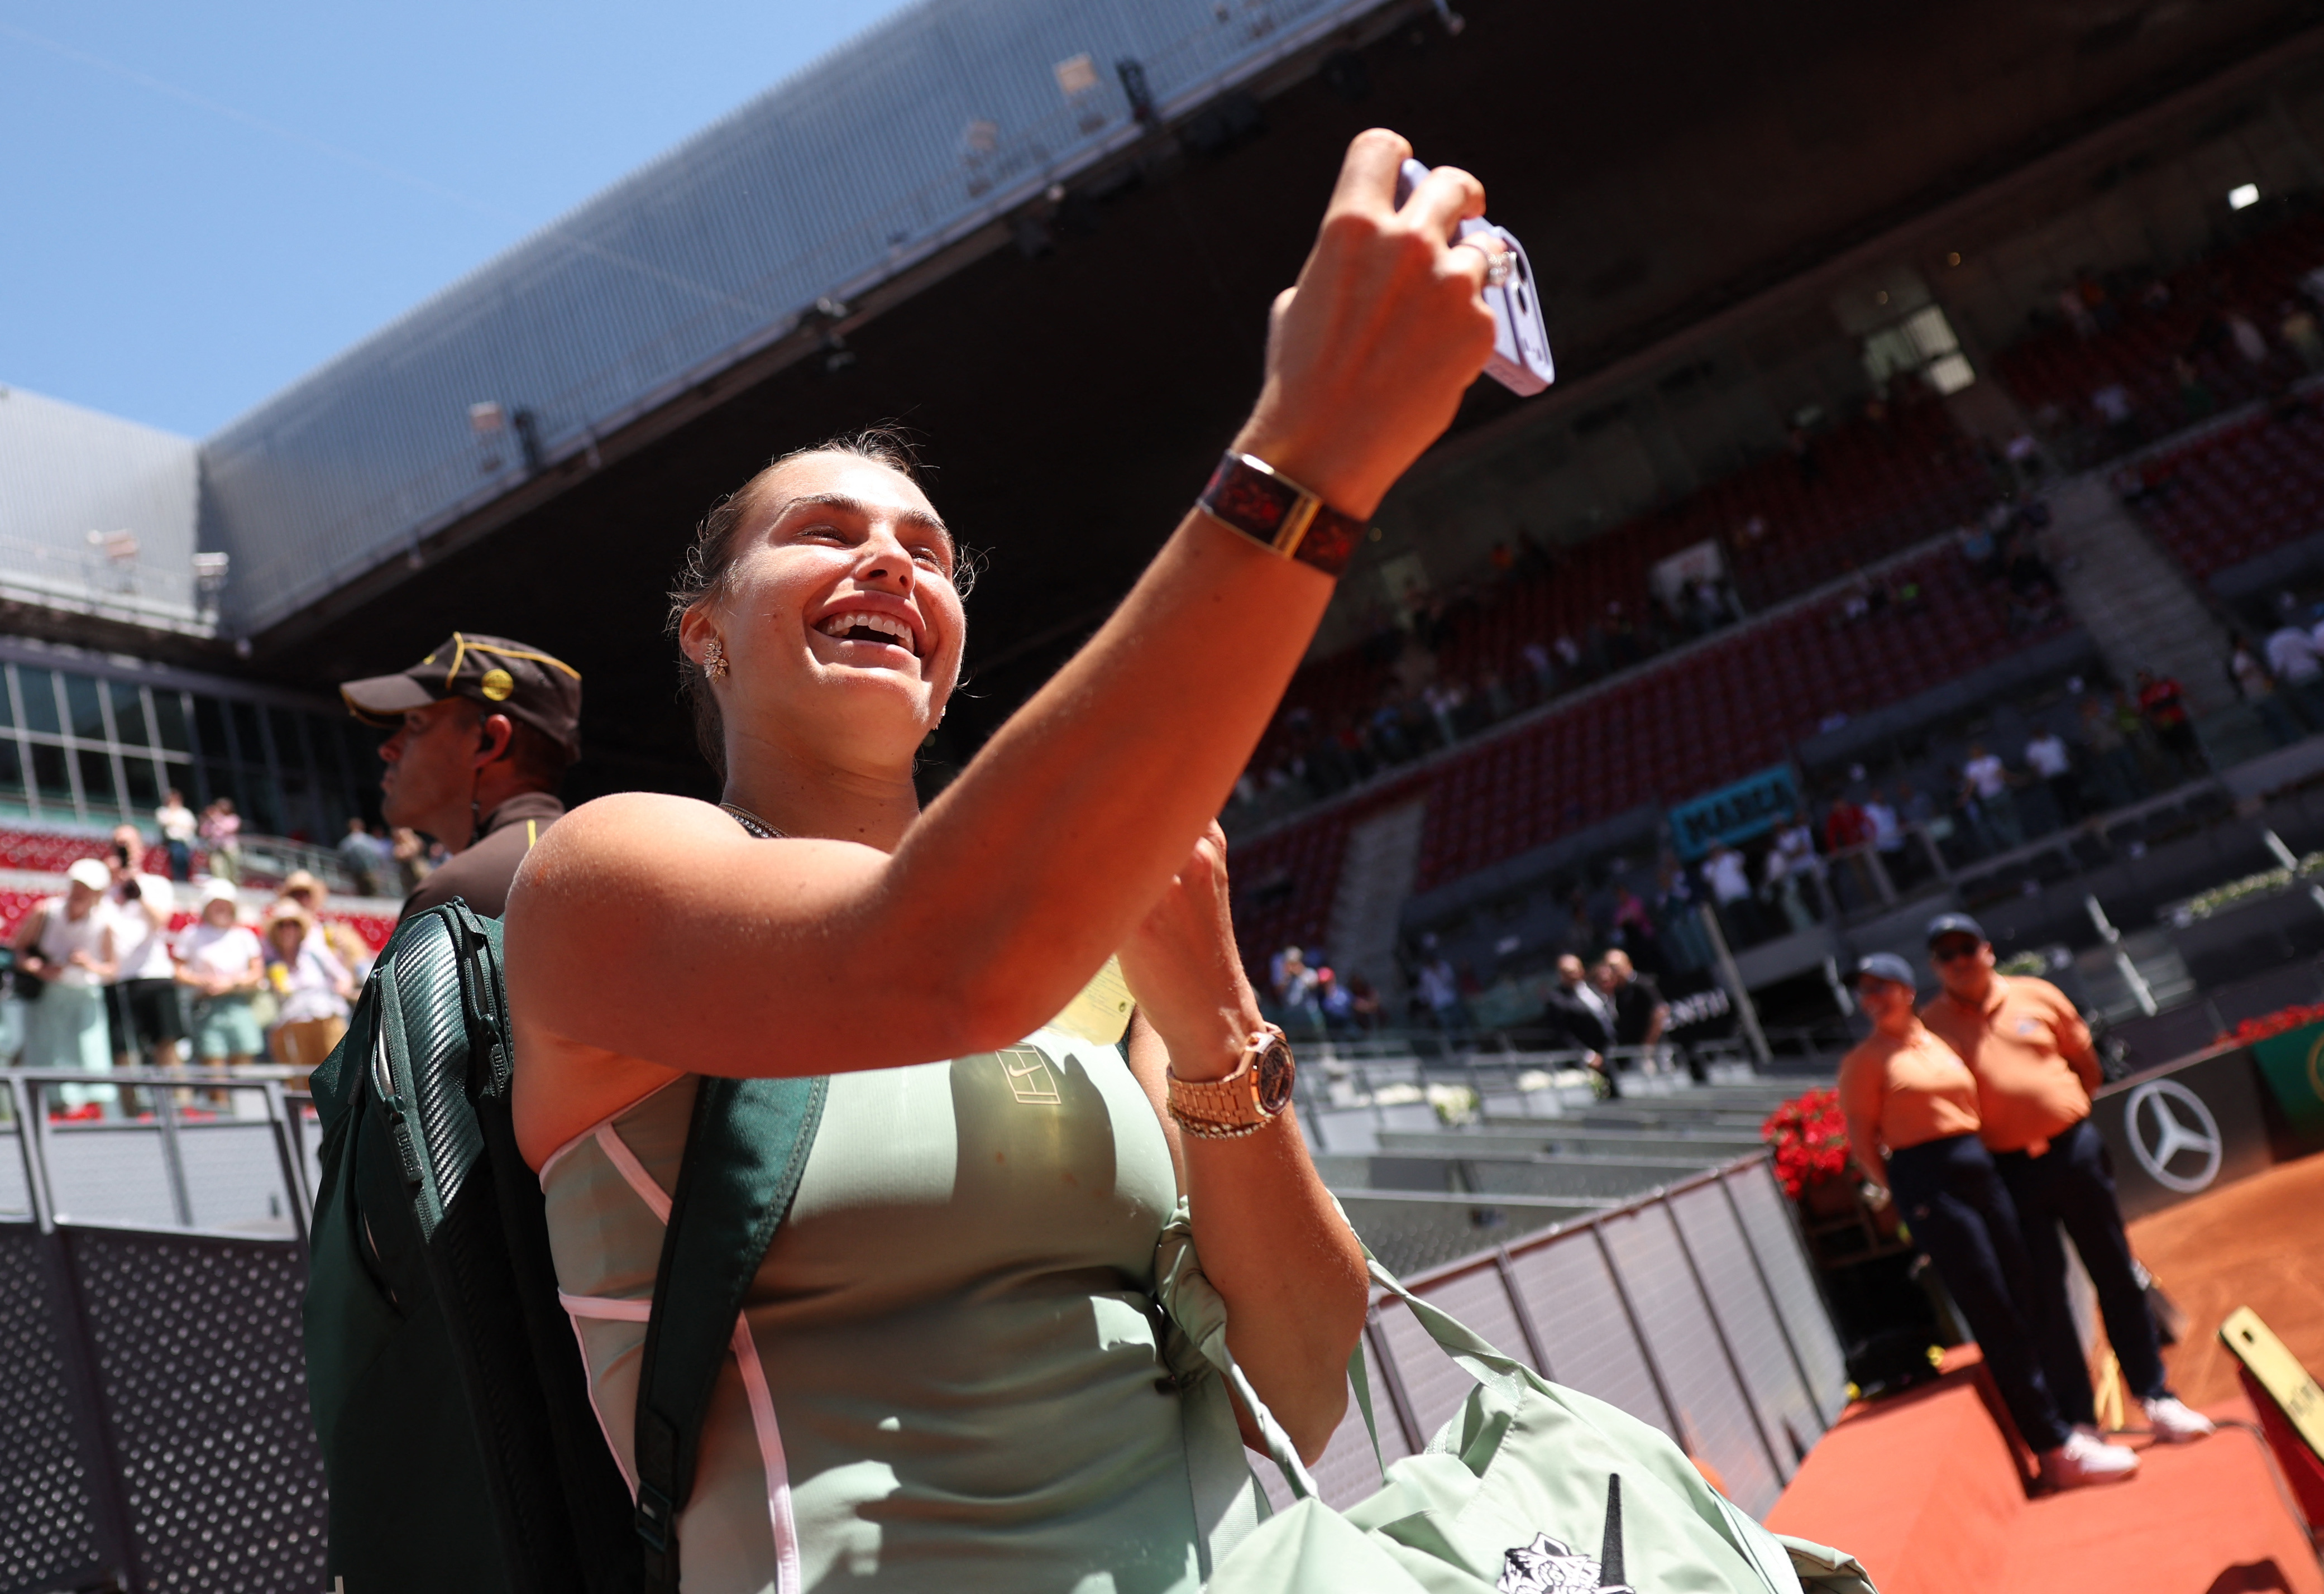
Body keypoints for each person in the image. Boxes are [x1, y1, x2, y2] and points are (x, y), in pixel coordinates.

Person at [500, 129, 1491, 1588]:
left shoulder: (1085, 939)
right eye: (822, 532)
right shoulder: (614, 867)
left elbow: (1296, 1375)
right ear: (703, 629)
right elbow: (931, 961)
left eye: (924, 547)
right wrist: (1311, 454)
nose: (890, 560)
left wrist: (1215, 1018)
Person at [1837, 953, 2135, 1488]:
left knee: (2027, 1289)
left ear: (1907, 989)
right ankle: (2053, 1446)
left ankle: (2075, 1421)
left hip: (1981, 1171)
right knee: (1992, 1306)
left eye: (1882, 985)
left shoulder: (1937, 1041)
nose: (1872, 998)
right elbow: (1864, 1144)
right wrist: (1910, 1189)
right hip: (1929, 1182)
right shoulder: (1865, 1060)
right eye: (1864, 990)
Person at [1918, 913, 2216, 1445]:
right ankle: (2081, 1420)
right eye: (1946, 954)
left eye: (1967, 947)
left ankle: (2156, 1395)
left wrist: (2059, 1113)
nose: (1960, 960)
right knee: (2043, 1295)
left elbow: (2086, 1064)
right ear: (1935, 966)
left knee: (2115, 1270)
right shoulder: (1929, 1027)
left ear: (1986, 950)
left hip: (2072, 1151)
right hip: (2005, 1172)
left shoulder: (2038, 995)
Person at [338, 633, 582, 922]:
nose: (388, 749)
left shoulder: (458, 896)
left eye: (416, 724)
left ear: (489, 742)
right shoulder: (586, 857)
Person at [12, 858, 119, 1114]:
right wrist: (41, 969)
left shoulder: (104, 923)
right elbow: (20, 951)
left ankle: (91, 1110)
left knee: (89, 1052)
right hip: (49, 996)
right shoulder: (46, 912)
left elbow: (112, 969)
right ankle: (53, 1109)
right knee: (48, 1052)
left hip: (84, 996)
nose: (81, 892)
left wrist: (89, 964)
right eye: (78, 885)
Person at [103, 827, 183, 1071]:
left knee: (166, 1044)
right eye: (119, 845)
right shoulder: (105, 892)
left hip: (153, 973)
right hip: (118, 977)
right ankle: (133, 1109)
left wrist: (136, 892)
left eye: (128, 845)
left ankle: (182, 1105)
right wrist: (111, 880)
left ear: (140, 849)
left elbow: (160, 921)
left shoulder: (156, 885)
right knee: (123, 1050)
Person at [175, 880, 266, 1069]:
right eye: (216, 904)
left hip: (239, 1003)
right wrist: (203, 981)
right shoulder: (191, 934)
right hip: (205, 1005)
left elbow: (257, 972)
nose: (221, 909)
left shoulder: (244, 936)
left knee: (244, 1064)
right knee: (213, 1066)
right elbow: (178, 971)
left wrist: (232, 984)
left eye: (225, 905)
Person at [262, 901, 354, 1081]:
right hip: (291, 1024)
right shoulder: (270, 961)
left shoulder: (314, 952)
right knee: (303, 1077)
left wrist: (342, 987)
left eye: (294, 924)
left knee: (337, 1074)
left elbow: (343, 977)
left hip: (326, 1016)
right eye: (282, 925)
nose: (288, 930)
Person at [1539, 952, 1618, 1093]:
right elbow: (1562, 1033)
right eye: (1567, 972)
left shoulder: (1593, 989)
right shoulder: (1557, 1000)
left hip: (1613, 1052)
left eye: (1575, 971)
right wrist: (1587, 1055)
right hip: (1590, 1060)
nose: (1573, 975)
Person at [1598, 949, 1669, 1076]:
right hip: (1634, 1051)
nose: (1613, 972)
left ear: (1628, 964)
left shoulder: (1642, 984)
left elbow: (1660, 1014)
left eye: (1615, 967)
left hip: (1653, 1050)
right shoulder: (1619, 992)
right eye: (1609, 968)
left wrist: (1648, 1047)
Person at [2135, 670, 2205, 778]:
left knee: (2191, 744)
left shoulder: (2166, 684)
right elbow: (2146, 712)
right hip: (2165, 725)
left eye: (2145, 678)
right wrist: (2156, 723)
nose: (2145, 682)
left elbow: (2182, 693)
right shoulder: (2144, 695)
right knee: (2178, 750)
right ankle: (2191, 771)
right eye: (2142, 680)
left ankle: (2203, 764)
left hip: (2178, 719)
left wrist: (2198, 706)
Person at [2022, 726, 2080, 825]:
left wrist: (2073, 765)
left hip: (2064, 772)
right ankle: (2070, 821)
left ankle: (2081, 815)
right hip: (2051, 777)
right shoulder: (2032, 748)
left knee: (2074, 795)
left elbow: (2066, 753)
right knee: (2061, 800)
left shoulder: (2055, 740)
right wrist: (2038, 776)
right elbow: (2033, 765)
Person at [155, 788, 198, 882]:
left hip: (186, 841)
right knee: (177, 858)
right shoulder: (163, 811)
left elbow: (191, 825)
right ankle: (178, 879)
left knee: (185, 861)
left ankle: (183, 879)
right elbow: (165, 822)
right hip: (172, 841)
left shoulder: (185, 812)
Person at [199, 797, 242, 882]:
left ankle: (234, 883)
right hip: (216, 847)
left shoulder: (233, 818)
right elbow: (204, 833)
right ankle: (221, 884)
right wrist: (205, 820)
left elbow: (228, 829)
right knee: (217, 867)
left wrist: (216, 818)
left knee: (233, 868)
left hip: (229, 847)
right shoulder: (213, 820)